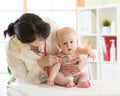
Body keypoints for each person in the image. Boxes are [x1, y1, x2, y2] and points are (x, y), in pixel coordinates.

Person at [4, 13, 88, 85]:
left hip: (66, 77)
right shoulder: (13, 49)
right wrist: (40, 64)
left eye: (46, 36)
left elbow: (73, 43)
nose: (46, 40)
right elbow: (23, 81)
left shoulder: (52, 26)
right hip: (38, 86)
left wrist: (80, 64)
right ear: (27, 42)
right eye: (41, 39)